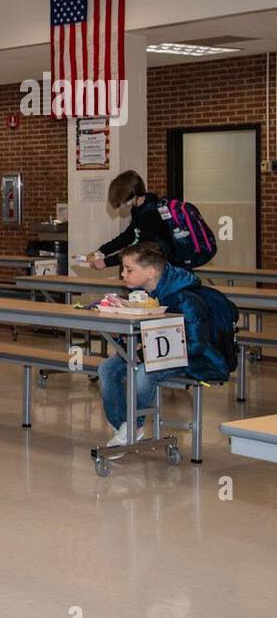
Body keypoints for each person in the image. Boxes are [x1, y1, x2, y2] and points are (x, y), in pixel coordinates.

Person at [97, 241, 234, 447]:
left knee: (144, 373)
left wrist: (146, 353)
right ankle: (124, 426)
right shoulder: (146, 294)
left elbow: (197, 345)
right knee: (107, 368)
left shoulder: (186, 299)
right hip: (155, 356)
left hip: (195, 359)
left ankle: (134, 425)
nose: (123, 274)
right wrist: (124, 339)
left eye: (129, 269)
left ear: (150, 272)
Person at [87, 170, 174, 270]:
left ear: (133, 193)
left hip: (169, 267)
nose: (122, 204)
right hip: (154, 264)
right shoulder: (137, 209)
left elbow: (142, 248)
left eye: (122, 199)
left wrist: (106, 262)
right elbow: (128, 236)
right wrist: (101, 252)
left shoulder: (152, 211)